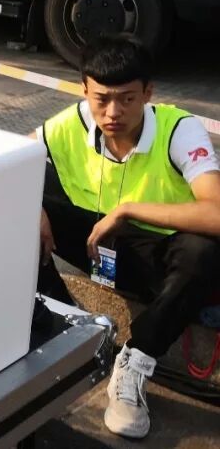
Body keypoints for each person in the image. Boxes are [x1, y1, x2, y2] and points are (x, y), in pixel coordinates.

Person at [35, 36, 220, 439]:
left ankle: (136, 358)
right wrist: (33, 208)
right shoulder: (67, 124)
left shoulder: (179, 129)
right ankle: (67, 329)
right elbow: (5, 163)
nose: (113, 112)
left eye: (127, 99)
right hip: (99, 247)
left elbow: (216, 212)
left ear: (148, 93)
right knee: (19, 209)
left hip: (162, 263)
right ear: (84, 90)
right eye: (101, 99)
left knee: (204, 251)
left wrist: (128, 210)